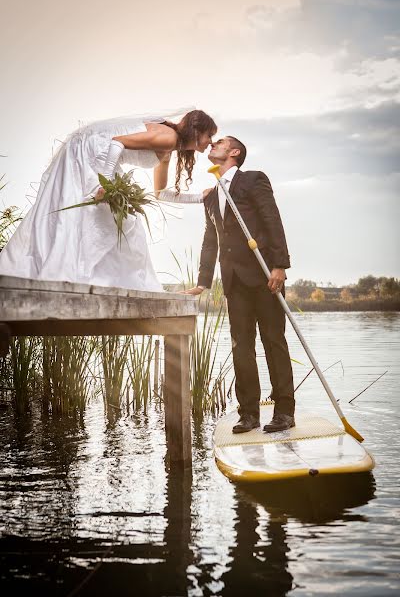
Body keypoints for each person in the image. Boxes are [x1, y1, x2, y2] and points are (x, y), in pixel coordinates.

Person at [0, 108, 216, 291]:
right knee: (106, 220)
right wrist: (103, 183)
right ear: (197, 131)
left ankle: (93, 280)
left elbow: (160, 194)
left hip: (102, 157)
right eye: (209, 136)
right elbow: (116, 143)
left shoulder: (170, 147)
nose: (210, 142)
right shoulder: (168, 137)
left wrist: (200, 198)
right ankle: (75, 277)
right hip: (92, 152)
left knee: (120, 224)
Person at [185, 136, 295, 433]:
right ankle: (249, 414)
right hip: (233, 281)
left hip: (264, 276)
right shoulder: (211, 196)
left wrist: (280, 265)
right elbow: (211, 240)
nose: (212, 144)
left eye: (219, 142)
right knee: (241, 347)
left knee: (273, 341)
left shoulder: (253, 180)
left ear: (234, 152)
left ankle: (284, 412)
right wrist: (203, 281)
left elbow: (272, 220)